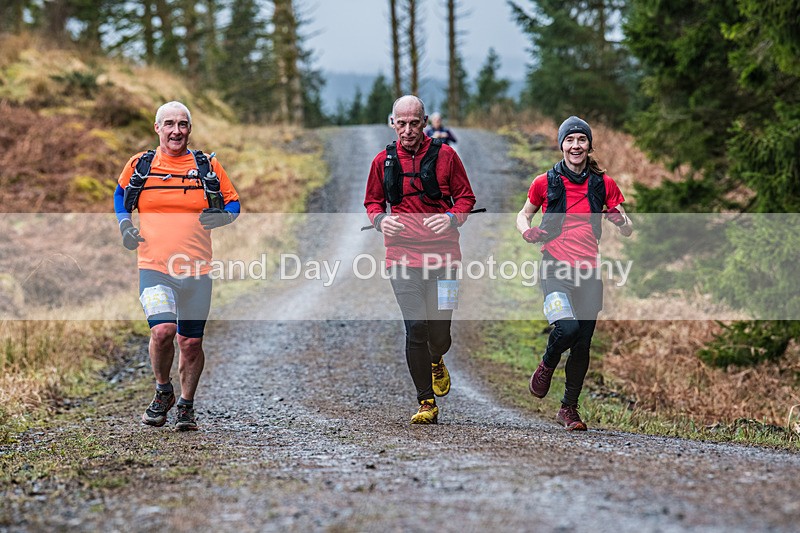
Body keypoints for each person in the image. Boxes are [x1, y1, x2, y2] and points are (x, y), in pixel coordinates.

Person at [114, 101, 240, 431]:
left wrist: (224, 217)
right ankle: (162, 391)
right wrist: (125, 225)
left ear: (190, 129)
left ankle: (186, 404)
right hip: (154, 267)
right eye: (168, 124)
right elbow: (120, 193)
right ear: (157, 128)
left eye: (182, 124)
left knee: (191, 343)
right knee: (163, 331)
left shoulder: (207, 166)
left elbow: (234, 202)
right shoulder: (140, 164)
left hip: (197, 271)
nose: (176, 131)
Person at [516, 116, 632, 431]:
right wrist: (527, 231)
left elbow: (628, 227)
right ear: (562, 145)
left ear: (589, 145)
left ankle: (569, 409)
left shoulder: (603, 183)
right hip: (554, 267)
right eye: (570, 140)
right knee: (566, 329)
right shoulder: (545, 181)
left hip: (589, 274)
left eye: (581, 140)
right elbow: (523, 214)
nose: (576, 145)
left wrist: (620, 221)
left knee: (582, 344)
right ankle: (547, 364)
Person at [365, 95, 476, 424]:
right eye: (402, 123)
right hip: (401, 258)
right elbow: (372, 203)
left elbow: (466, 197)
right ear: (392, 123)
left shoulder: (447, 156)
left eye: (415, 123)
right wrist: (381, 221)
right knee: (416, 327)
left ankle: (436, 358)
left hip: (446, 261)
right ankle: (426, 401)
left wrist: (453, 218)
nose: (408, 130)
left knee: (440, 334)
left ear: (425, 122)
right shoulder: (381, 162)